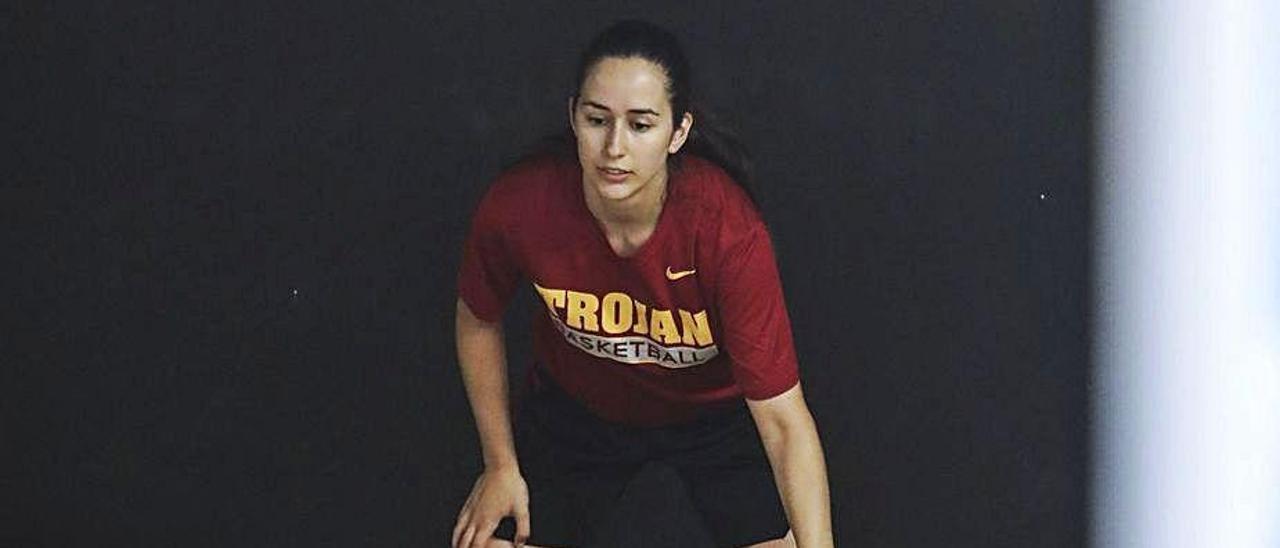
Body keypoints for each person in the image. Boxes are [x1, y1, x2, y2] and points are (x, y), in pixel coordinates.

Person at [451, 20, 833, 548]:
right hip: (579, 412)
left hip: (714, 417)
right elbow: (477, 318)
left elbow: (785, 423)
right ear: (573, 118)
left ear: (678, 132)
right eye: (597, 120)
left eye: (641, 124)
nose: (614, 147)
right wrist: (499, 465)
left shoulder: (727, 231)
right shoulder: (519, 206)